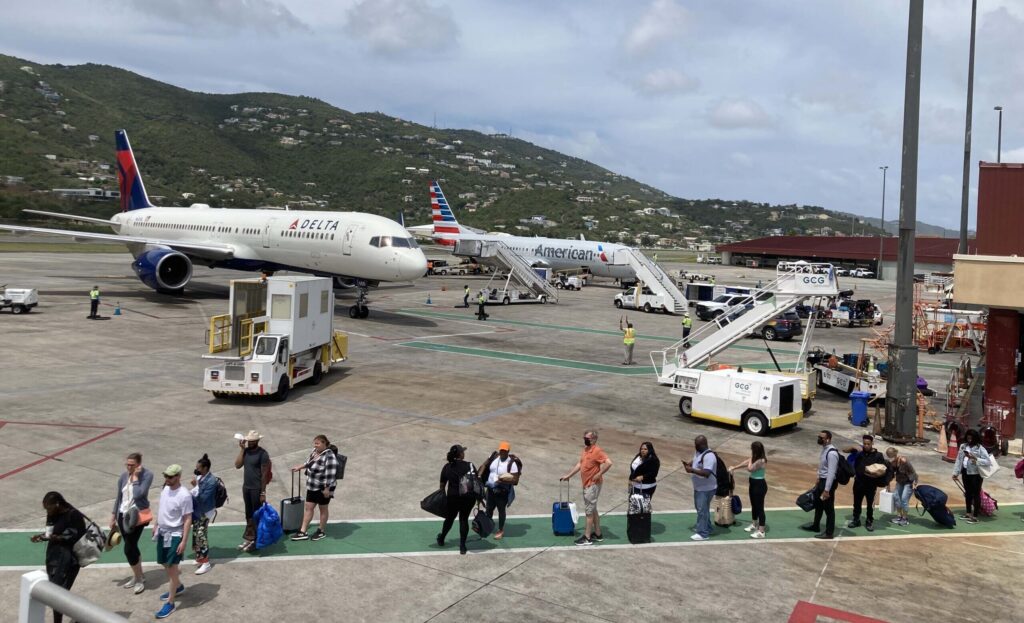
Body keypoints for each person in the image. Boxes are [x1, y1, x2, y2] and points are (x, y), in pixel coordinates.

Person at [30, 492, 86, 623]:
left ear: (57, 504)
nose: (47, 511)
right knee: (58, 595)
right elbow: (51, 532)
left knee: (58, 595)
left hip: (69, 560)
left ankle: (76, 615)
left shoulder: (73, 515)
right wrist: (41, 536)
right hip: (54, 558)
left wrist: (58, 537)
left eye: (48, 508)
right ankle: (79, 614)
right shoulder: (52, 514)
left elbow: (77, 535)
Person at [153, 464, 193, 619]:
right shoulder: (165, 489)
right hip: (163, 532)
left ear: (178, 477)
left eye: (170, 477)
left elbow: (188, 518)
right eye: (166, 476)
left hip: (175, 534)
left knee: (171, 567)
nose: (167, 479)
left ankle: (170, 603)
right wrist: (157, 523)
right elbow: (162, 508)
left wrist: (183, 541)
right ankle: (178, 585)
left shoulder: (184, 495)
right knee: (163, 562)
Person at [110, 451, 153, 595]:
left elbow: (138, 494)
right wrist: (113, 515)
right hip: (123, 515)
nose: (128, 467)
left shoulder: (147, 475)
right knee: (132, 546)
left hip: (138, 516)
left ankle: (139, 579)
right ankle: (139, 575)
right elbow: (119, 497)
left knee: (128, 548)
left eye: (132, 465)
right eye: (127, 465)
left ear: (139, 465)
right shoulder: (123, 476)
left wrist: (135, 477)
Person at [561, 430, 613, 546]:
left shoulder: (597, 451)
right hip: (587, 484)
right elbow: (580, 464)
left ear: (594, 439)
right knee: (593, 509)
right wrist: (569, 475)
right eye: (584, 437)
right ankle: (598, 534)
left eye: (587, 438)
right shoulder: (585, 450)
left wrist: (599, 474)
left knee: (589, 511)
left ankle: (587, 537)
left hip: (592, 485)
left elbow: (609, 463)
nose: (585, 440)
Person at [290, 434, 339, 541]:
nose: (315, 445)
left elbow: (330, 474)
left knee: (323, 509)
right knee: (309, 508)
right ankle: (303, 531)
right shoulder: (315, 452)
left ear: (324, 443)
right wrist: (300, 467)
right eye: (314, 443)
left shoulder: (329, 456)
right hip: (312, 486)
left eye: (317, 443)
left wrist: (327, 489)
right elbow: (309, 463)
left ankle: (321, 531)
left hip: (323, 488)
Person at [234, 430, 271, 552]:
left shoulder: (263, 454)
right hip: (247, 487)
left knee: (256, 515)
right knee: (248, 514)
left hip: (256, 489)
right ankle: (249, 538)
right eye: (248, 441)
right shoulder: (246, 451)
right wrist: (241, 449)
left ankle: (256, 540)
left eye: (252, 441)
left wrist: (263, 492)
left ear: (257, 441)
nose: (249, 443)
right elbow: (237, 465)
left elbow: (264, 475)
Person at [437, 444, 477, 555]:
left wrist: (443, 499)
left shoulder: (447, 467)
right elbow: (476, 482)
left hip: (452, 498)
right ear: (460, 454)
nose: (464, 453)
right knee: (463, 520)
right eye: (463, 452)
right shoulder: (470, 465)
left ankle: (441, 539)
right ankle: (462, 546)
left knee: (449, 519)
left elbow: (442, 486)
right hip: (467, 498)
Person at [477, 441, 521, 539]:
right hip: (490, 489)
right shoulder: (494, 457)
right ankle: (487, 527)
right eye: (501, 450)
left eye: (504, 451)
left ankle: (501, 530)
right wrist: (479, 476)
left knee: (501, 511)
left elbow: (515, 479)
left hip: (502, 492)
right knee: (489, 509)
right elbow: (484, 465)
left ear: (508, 451)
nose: (502, 452)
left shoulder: (511, 463)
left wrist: (501, 480)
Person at [801, 430, 839, 539]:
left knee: (829, 509)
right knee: (818, 505)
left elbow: (831, 473)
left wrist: (826, 490)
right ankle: (815, 526)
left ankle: (829, 533)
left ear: (828, 439)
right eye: (819, 437)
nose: (819, 439)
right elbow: (822, 467)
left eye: (822, 437)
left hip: (827, 483)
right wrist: (818, 477)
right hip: (822, 481)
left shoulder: (832, 453)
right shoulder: (824, 450)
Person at [847, 434, 889, 532]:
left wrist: (873, 474)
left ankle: (869, 521)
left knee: (870, 505)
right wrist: (853, 447)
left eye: (868, 444)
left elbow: (882, 469)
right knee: (856, 503)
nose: (866, 445)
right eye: (864, 443)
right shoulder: (859, 453)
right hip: (858, 483)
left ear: (872, 444)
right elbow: (844, 450)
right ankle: (856, 519)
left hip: (871, 484)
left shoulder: (878, 455)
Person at [952, 428, 992, 524]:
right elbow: (959, 460)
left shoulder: (980, 448)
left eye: (971, 439)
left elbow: (988, 461)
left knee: (976, 494)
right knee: (968, 493)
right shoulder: (963, 446)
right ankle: (968, 512)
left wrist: (976, 459)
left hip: (976, 475)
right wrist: (955, 472)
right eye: (968, 438)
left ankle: (975, 516)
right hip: (965, 472)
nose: (969, 440)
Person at [682, 435, 716, 541]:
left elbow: (706, 473)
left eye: (696, 445)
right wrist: (690, 464)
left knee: (702, 510)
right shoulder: (699, 452)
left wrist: (691, 470)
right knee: (703, 509)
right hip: (700, 487)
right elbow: (697, 460)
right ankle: (708, 527)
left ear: (702, 445)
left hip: (706, 488)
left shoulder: (709, 456)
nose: (694, 446)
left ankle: (703, 533)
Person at [730, 441, 767, 539]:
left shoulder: (761, 460)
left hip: (759, 485)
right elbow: (746, 462)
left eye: (752, 449)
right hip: (753, 483)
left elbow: (750, 468)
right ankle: (754, 524)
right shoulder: (755, 458)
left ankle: (761, 531)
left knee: (759, 508)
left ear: (756, 450)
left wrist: (750, 459)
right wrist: (735, 467)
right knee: (754, 505)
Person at [189, 454, 217, 575]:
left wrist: (195, 487)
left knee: (201, 534)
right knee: (196, 532)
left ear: (205, 468)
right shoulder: (200, 476)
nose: (197, 469)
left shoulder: (211, 481)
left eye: (199, 467)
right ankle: (200, 557)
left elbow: (203, 498)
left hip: (205, 511)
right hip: (198, 510)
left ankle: (206, 563)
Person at [885, 447, 917, 526]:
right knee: (896, 497)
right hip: (900, 482)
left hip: (908, 482)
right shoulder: (891, 463)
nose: (891, 459)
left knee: (904, 499)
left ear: (895, 454)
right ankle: (899, 516)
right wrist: (887, 484)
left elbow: (913, 472)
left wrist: (915, 483)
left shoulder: (904, 461)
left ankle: (905, 518)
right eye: (889, 457)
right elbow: (890, 474)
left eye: (892, 456)